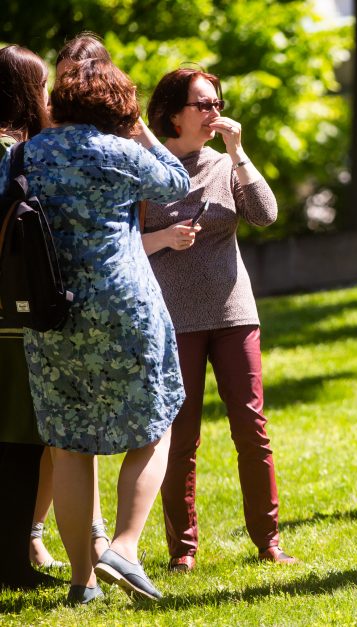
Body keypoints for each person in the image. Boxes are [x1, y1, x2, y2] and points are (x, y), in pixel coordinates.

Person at [1, 57, 191, 604]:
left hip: (50, 314)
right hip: (125, 308)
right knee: (158, 419)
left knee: (66, 444)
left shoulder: (24, 154)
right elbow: (177, 182)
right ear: (118, 108)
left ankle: (82, 584)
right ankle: (124, 548)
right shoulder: (121, 152)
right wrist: (140, 129)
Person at [143, 68, 293, 572]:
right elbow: (119, 245)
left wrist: (239, 154)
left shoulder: (225, 163)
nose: (214, 113)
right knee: (180, 437)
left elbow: (266, 215)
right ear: (173, 113)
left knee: (251, 428)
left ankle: (268, 542)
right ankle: (182, 551)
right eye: (202, 105)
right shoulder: (145, 167)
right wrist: (164, 239)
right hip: (174, 318)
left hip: (234, 313)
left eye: (216, 103)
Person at [29, 29, 113, 574]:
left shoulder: (49, 148)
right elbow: (172, 181)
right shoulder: (37, 148)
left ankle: (93, 551)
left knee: (76, 432)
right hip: (52, 299)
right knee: (65, 436)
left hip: (70, 303)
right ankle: (66, 541)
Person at [0, 43, 61, 591]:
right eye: (41, 86)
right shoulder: (17, 152)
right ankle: (12, 564)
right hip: (12, 315)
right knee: (20, 439)